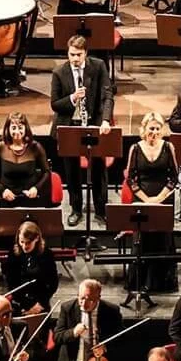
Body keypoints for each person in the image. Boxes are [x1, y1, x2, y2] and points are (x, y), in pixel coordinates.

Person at [49, 33, 116, 226]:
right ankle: (76, 208)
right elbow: (55, 104)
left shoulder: (98, 66)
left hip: (93, 123)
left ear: (86, 53)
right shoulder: (59, 72)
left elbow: (107, 96)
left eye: (79, 54)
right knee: (71, 170)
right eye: (72, 54)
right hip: (70, 125)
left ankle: (101, 209)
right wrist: (73, 98)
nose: (75, 58)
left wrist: (105, 120)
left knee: (98, 168)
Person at [124, 113, 181, 293]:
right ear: (144, 129)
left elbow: (174, 177)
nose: (154, 132)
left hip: (163, 199)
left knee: (162, 239)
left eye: (157, 128)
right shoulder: (135, 148)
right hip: (142, 199)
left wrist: (158, 199)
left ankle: (161, 284)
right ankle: (140, 283)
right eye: (151, 128)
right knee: (143, 239)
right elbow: (131, 178)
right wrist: (147, 200)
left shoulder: (168, 147)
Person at [51, 282, 125, 361]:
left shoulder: (111, 310)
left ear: (98, 298)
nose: (84, 304)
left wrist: (105, 346)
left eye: (90, 300)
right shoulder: (67, 308)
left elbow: (121, 335)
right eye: (81, 298)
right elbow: (57, 336)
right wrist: (73, 332)